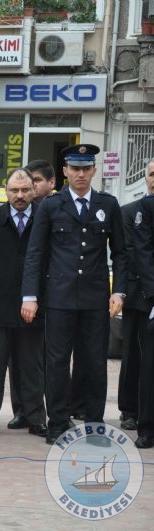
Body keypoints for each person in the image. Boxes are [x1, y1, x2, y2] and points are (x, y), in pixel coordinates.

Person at [22, 144, 126, 446]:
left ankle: (94, 425)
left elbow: (120, 252)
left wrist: (119, 291)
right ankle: (57, 422)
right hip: (59, 297)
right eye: (75, 169)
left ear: (94, 170)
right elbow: (36, 253)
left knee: (94, 362)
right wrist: (30, 296)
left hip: (95, 297)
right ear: (65, 171)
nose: (81, 174)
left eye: (86, 168)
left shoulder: (108, 204)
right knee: (56, 362)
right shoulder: (51, 206)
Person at [0, 169, 46, 438]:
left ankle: (36, 418)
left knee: (31, 366)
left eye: (25, 190)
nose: (20, 195)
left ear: (33, 190)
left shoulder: (43, 217)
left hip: (33, 304)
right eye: (14, 190)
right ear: (6, 191)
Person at [118, 159, 154, 433]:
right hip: (138, 293)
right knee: (133, 355)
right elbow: (130, 251)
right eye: (152, 174)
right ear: (145, 178)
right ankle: (129, 410)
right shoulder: (130, 211)